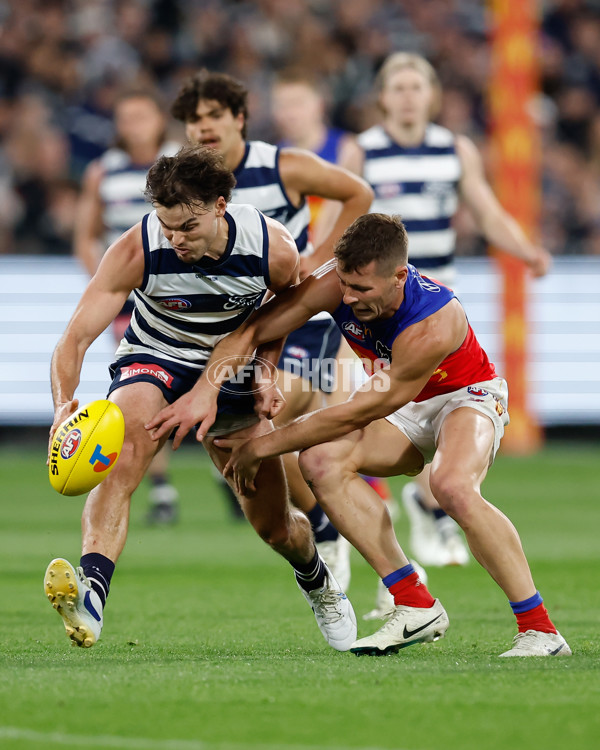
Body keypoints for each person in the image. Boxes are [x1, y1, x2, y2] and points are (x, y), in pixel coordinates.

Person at [147, 213, 571, 659]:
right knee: (320, 463)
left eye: (362, 290)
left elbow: (358, 412)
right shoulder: (337, 282)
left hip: (464, 395)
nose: (348, 298)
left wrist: (262, 445)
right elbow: (257, 327)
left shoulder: (433, 323)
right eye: (345, 285)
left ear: (399, 277)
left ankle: (540, 630)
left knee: (452, 488)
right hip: (401, 400)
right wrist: (226, 385)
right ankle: (414, 604)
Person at [44, 145, 357, 653]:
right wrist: (63, 406)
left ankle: (317, 579)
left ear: (220, 205)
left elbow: (286, 312)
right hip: (156, 355)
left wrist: (265, 371)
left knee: (276, 527)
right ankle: (92, 594)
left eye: (187, 227)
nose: (176, 239)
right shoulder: (136, 248)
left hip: (231, 367)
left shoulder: (272, 248)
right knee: (123, 447)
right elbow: (73, 339)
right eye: (166, 226)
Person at [170, 69, 373, 587]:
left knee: (271, 416)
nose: (204, 127)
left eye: (215, 115)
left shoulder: (284, 166)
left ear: (239, 118)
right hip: (230, 333)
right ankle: (328, 529)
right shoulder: (187, 186)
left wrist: (321, 262)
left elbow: (358, 194)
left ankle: (334, 535)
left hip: (297, 323)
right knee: (257, 441)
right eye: (194, 120)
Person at [353, 52, 553, 573]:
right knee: (376, 410)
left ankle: (425, 505)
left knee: (437, 400)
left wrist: (526, 250)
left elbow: (485, 211)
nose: (407, 95)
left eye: (416, 85)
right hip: (376, 310)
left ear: (433, 94)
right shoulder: (363, 151)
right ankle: (414, 511)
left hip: (437, 307)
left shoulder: (454, 149)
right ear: (382, 96)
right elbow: (345, 224)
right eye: (397, 86)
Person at [269, 68, 409, 595]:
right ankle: (332, 533)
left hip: (345, 296)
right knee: (284, 429)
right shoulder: (276, 162)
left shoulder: (342, 152)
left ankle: (379, 563)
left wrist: (322, 262)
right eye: (281, 105)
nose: (288, 114)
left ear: (316, 106)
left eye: (296, 103)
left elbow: (357, 215)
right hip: (305, 299)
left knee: (344, 425)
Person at [73, 88, 182, 525]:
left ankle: (217, 468)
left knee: (203, 380)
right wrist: (106, 282)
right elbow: (86, 234)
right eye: (126, 117)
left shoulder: (184, 163)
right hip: (132, 301)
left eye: (141, 115)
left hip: (186, 294)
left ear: (159, 119)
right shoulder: (104, 172)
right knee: (141, 386)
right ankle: (161, 488)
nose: (134, 125)